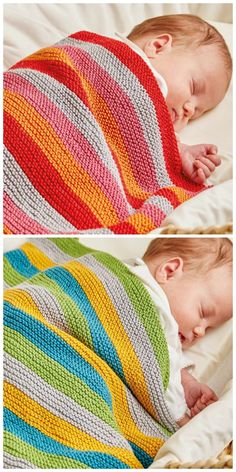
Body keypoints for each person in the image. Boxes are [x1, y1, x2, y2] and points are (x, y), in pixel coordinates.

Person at [125, 237, 232, 426]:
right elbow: (159, 371)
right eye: (203, 312)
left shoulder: (162, 326)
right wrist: (181, 419)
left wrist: (188, 385)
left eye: (208, 328)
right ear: (169, 271)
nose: (200, 331)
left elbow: (165, 357)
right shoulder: (151, 301)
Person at [118, 14, 232, 184]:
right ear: (158, 47)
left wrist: (180, 152)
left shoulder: (154, 125)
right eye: (194, 87)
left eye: (197, 113)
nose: (190, 110)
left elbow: (149, 142)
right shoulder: (104, 51)